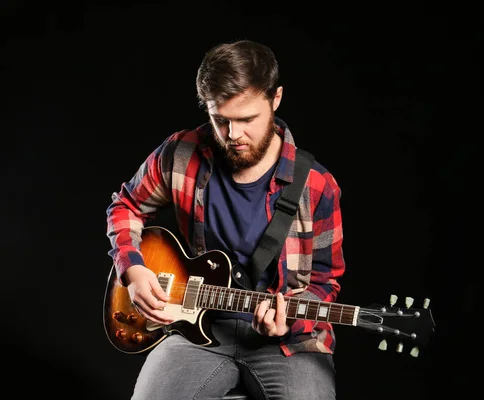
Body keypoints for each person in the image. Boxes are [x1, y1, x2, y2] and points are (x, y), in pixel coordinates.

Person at [105, 39, 346, 400]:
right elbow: (125, 206)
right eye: (221, 121)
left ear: (275, 99)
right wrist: (133, 270)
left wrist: (287, 320)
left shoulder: (317, 186)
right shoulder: (180, 153)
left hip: (286, 343)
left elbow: (325, 284)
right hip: (195, 328)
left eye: (247, 119)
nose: (234, 136)